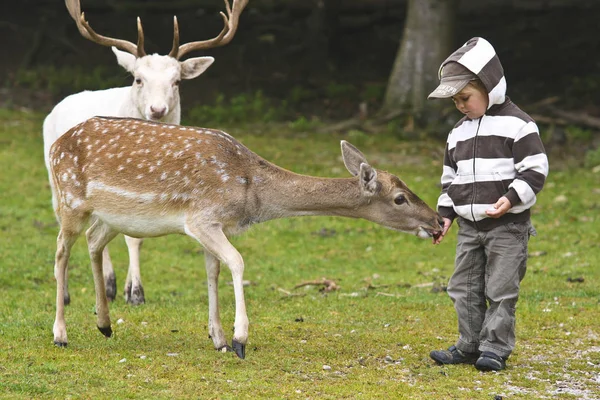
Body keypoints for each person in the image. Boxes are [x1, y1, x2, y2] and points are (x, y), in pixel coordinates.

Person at [427, 37, 549, 372]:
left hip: (507, 226)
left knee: (501, 288)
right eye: (455, 101)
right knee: (462, 286)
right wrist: (445, 215)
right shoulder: (457, 133)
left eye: (465, 97)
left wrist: (510, 200)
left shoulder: (519, 125)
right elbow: (450, 177)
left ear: (489, 86)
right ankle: (468, 344)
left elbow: (536, 170)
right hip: (469, 227)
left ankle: (494, 348)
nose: (460, 106)